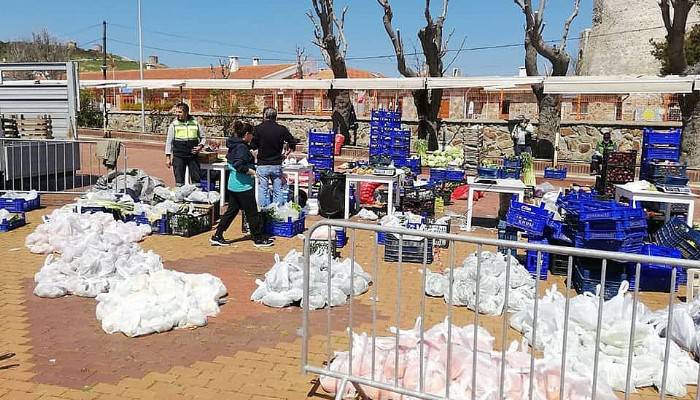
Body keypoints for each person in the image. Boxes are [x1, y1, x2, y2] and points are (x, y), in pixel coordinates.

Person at [210, 121, 273, 248]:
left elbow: (234, 161)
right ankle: (258, 238)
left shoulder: (234, 145)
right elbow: (239, 165)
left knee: (232, 211)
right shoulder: (241, 147)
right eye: (251, 134)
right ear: (246, 134)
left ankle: (217, 235)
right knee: (252, 213)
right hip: (243, 186)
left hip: (233, 184)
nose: (252, 137)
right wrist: (252, 172)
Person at [251, 107, 298, 207]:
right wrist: (287, 153)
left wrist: (256, 153)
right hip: (276, 163)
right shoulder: (281, 129)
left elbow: (253, 145)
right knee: (278, 189)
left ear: (264, 116)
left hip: (262, 163)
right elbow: (292, 142)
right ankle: (278, 211)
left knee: (263, 189)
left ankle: (262, 212)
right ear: (276, 117)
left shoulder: (258, 129)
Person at [165, 103, 206, 186]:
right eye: (176, 112)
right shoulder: (174, 124)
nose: (177, 114)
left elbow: (203, 137)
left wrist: (200, 146)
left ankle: (196, 196)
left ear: (186, 112)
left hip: (193, 156)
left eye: (180, 112)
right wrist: (168, 158)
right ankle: (181, 197)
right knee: (179, 182)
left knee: (196, 181)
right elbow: (169, 142)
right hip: (178, 156)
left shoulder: (195, 123)